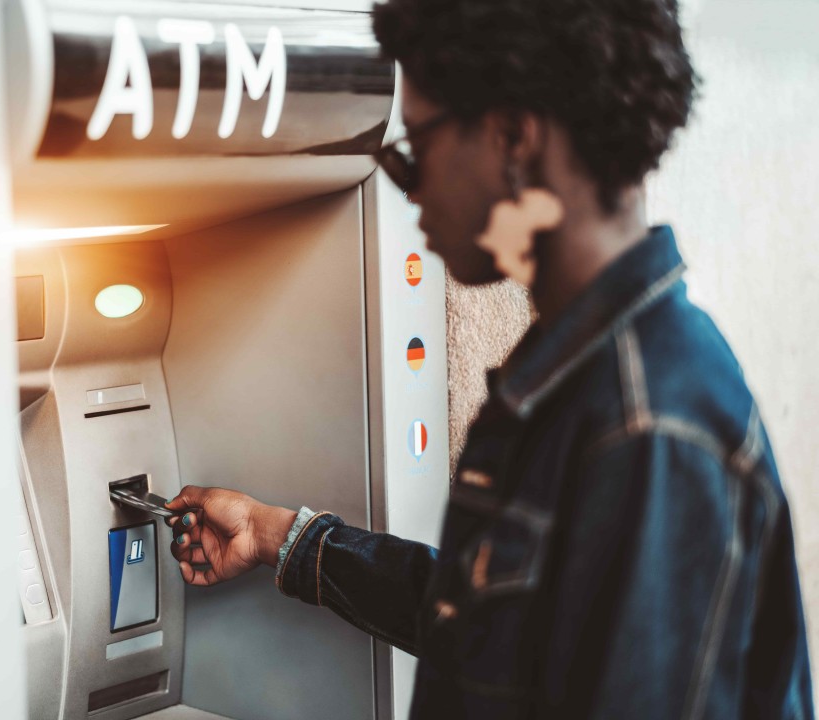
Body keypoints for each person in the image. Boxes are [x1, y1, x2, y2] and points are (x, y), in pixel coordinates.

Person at [165, 0, 814, 717]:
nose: (409, 188)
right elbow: (489, 630)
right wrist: (273, 535)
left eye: (416, 146)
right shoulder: (585, 377)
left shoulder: (645, 423)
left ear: (512, 137)